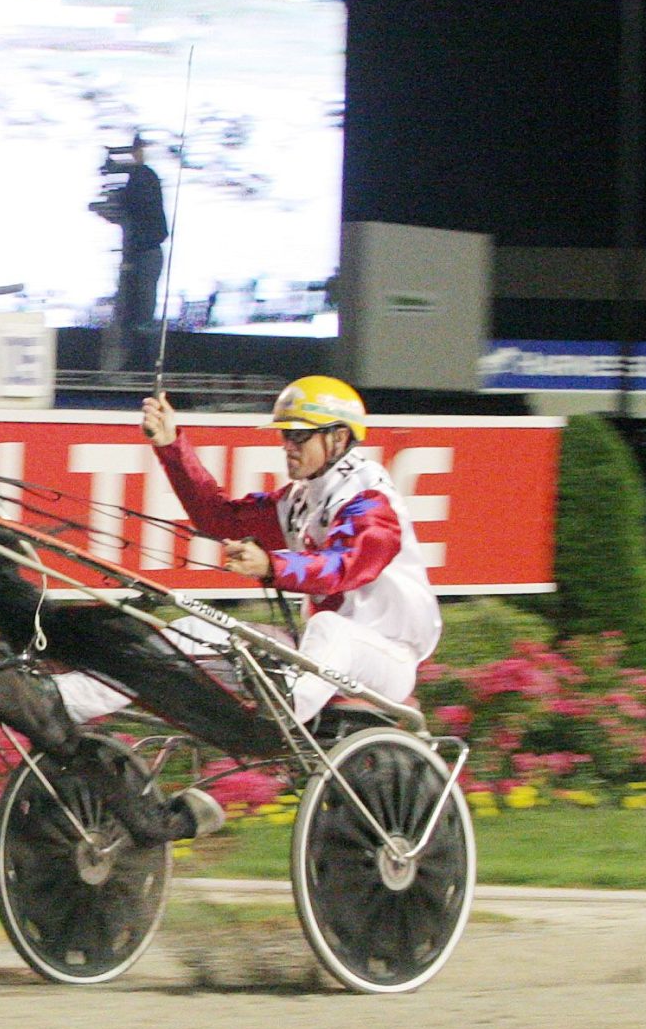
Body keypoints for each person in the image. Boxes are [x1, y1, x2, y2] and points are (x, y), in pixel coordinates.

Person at [141, 377, 442, 719]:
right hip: (318, 656)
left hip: (386, 661)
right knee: (191, 631)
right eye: (285, 435)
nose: (287, 445)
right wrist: (170, 445)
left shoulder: (371, 501)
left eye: (299, 435)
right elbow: (220, 520)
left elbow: (339, 568)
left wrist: (271, 566)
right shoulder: (301, 498)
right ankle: (73, 705)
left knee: (330, 628)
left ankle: (281, 721)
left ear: (339, 437)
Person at [90, 133, 168, 371]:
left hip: (144, 255)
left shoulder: (142, 177)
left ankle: (144, 371)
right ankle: (133, 369)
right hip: (140, 255)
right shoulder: (141, 177)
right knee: (133, 317)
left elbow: (130, 209)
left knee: (139, 319)